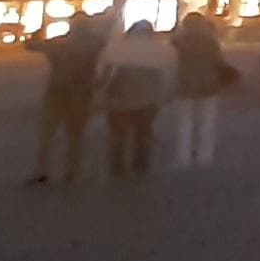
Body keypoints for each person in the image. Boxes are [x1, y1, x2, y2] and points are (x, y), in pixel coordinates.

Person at [28, 12, 109, 185]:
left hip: (56, 93)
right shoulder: (94, 44)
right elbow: (106, 40)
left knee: (47, 136)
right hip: (81, 94)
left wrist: (38, 30)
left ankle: (43, 171)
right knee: (76, 136)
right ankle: (72, 171)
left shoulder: (58, 43)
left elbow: (30, 45)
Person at [96, 20, 175, 176]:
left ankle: (117, 167)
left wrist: (100, 92)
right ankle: (141, 165)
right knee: (143, 134)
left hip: (119, 100)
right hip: (148, 102)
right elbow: (166, 76)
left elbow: (105, 76)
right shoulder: (161, 50)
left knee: (118, 136)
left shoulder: (116, 49)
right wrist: (164, 95)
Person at [166, 14, 231, 169]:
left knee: (184, 123)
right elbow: (219, 62)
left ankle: (183, 156)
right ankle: (205, 156)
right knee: (207, 122)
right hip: (208, 85)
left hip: (184, 85)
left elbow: (170, 63)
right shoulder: (211, 42)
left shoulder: (177, 42)